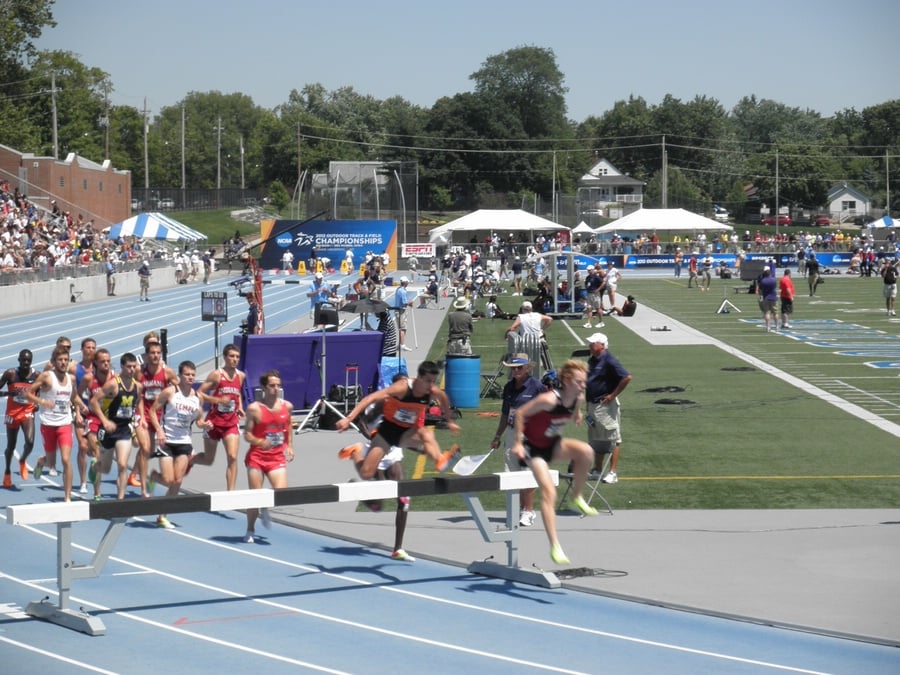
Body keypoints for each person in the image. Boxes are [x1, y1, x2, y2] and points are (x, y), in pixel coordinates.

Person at [510, 360, 598, 564]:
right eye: (578, 382)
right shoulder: (549, 400)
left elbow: (577, 406)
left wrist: (577, 414)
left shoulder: (578, 396)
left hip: (553, 444)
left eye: (584, 382)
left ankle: (576, 497)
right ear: (566, 381)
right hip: (534, 449)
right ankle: (555, 546)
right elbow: (520, 413)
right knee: (550, 492)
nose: (582, 386)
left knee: (586, 451)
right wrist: (517, 443)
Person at [335, 361, 460, 478]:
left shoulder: (432, 391)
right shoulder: (402, 388)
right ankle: (354, 452)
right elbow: (370, 399)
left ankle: (440, 460)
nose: (431, 386)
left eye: (434, 381)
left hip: (407, 432)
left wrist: (449, 421)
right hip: (387, 432)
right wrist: (348, 419)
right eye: (428, 381)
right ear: (419, 378)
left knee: (427, 434)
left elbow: (443, 398)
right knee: (366, 474)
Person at [147, 360, 210, 529]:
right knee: (168, 480)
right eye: (187, 374)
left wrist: (205, 425)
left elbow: (199, 421)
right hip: (166, 440)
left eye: (192, 375)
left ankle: (162, 516)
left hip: (184, 442)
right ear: (180, 376)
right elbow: (152, 411)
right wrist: (159, 430)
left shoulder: (198, 398)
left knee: (177, 481)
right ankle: (154, 476)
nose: (190, 377)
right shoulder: (170, 392)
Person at [490, 354, 545, 527]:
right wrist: (498, 435)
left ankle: (528, 511)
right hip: (512, 433)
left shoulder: (537, 387)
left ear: (528, 368)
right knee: (512, 473)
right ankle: (520, 508)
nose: (515, 371)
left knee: (527, 472)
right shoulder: (508, 387)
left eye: (519, 368)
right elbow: (506, 414)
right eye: (513, 368)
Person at [26, 346, 85, 502]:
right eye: (60, 360)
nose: (63, 363)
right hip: (48, 424)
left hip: (65, 423)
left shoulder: (71, 379)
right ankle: (41, 462)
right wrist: (42, 401)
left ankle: (67, 497)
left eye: (66, 360)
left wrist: (82, 408)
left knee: (66, 459)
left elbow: (74, 397)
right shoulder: (47, 377)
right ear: (54, 362)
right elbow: (28, 393)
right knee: (51, 462)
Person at [242, 369, 294, 544]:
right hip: (257, 457)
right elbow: (247, 435)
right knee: (255, 496)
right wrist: (259, 441)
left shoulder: (287, 406)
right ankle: (250, 529)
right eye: (272, 386)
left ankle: (266, 505)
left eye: (278, 385)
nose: (276, 389)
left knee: (282, 494)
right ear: (263, 387)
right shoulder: (255, 409)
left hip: (276, 457)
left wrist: (290, 446)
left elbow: (288, 425)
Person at [192, 344, 246, 490]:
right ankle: (191, 460)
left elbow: (238, 392)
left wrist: (239, 406)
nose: (235, 359)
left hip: (230, 423)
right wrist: (217, 400)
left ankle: (230, 493)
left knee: (233, 457)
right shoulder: (216, 375)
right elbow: (200, 393)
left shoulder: (240, 376)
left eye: (237, 357)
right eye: (231, 356)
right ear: (225, 357)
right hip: (213, 422)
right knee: (209, 460)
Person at [90, 352, 144, 500]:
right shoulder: (113, 384)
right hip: (108, 430)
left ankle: (120, 501)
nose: (132, 370)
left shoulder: (138, 386)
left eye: (134, 367)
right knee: (105, 468)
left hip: (124, 430)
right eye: (128, 367)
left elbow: (139, 401)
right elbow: (94, 401)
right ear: (122, 366)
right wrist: (105, 421)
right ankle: (95, 474)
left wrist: (142, 418)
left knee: (122, 464)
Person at [584, 332, 632, 485]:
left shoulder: (609, 360)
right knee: (597, 438)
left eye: (593, 343)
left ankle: (613, 472)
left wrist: (612, 395)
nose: (590, 345)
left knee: (613, 439)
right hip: (593, 405)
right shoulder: (593, 360)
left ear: (602, 346)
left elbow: (626, 377)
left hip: (605, 406)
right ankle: (597, 469)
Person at [135, 336, 178, 498]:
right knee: (146, 449)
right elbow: (137, 394)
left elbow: (178, 388)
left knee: (153, 450)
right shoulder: (140, 371)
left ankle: (153, 476)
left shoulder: (167, 372)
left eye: (158, 353)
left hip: (161, 416)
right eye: (152, 353)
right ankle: (144, 490)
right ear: (146, 355)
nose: (155, 356)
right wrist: (141, 417)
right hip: (143, 413)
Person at [79, 347, 116, 500]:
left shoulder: (115, 379)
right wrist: (79, 408)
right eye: (102, 362)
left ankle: (95, 467)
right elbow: (77, 394)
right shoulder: (89, 379)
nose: (106, 364)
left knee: (105, 458)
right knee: (96, 454)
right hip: (93, 419)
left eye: (108, 361)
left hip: (110, 420)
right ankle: (97, 493)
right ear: (96, 363)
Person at [1, 349, 38, 487]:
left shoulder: (36, 375)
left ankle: (22, 460)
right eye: (23, 360)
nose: (26, 363)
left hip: (27, 412)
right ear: (19, 360)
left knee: (30, 442)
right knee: (11, 446)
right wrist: (8, 393)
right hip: (12, 413)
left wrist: (37, 403)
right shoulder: (10, 374)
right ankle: (7, 471)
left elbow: (38, 392)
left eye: (28, 360)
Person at [71, 337, 97, 495]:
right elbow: (73, 394)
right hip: (81, 413)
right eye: (88, 347)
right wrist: (78, 410)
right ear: (82, 350)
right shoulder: (75, 369)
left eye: (93, 347)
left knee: (93, 450)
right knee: (82, 446)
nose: (91, 350)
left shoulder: (99, 368)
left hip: (96, 414)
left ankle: (95, 482)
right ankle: (83, 482)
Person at [393, 276, 414, 351]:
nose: (408, 283)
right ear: (405, 283)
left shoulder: (398, 289)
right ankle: (402, 345)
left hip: (398, 311)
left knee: (401, 328)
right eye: (407, 282)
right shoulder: (403, 291)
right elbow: (405, 303)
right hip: (401, 311)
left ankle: (400, 344)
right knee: (403, 328)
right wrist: (410, 302)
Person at [582, 265, 605, 329]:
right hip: (589, 294)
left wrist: (598, 289)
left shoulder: (596, 277)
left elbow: (603, 282)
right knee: (589, 308)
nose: (588, 271)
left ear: (592, 270)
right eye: (588, 270)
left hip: (595, 295)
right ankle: (588, 323)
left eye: (589, 270)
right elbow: (587, 285)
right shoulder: (588, 277)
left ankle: (601, 322)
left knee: (598, 308)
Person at [757, 267, 778, 332]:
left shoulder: (763, 281)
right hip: (773, 297)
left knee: (766, 312)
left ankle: (768, 327)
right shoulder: (773, 280)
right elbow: (775, 287)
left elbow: (760, 290)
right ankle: (776, 326)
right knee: (775, 312)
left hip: (766, 297)